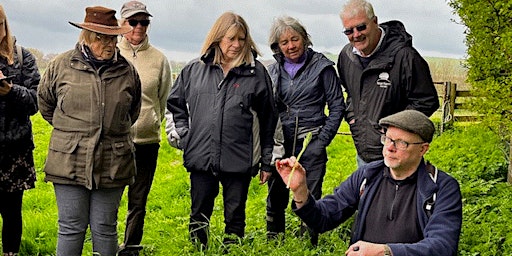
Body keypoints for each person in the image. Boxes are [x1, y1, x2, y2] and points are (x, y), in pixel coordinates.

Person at [276, 110, 462, 256]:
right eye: (388, 139)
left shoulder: (442, 187)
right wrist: (300, 190)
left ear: (423, 149)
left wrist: (385, 252)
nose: (389, 147)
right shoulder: (368, 175)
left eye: (401, 143)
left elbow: (442, 246)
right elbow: (323, 219)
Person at [167, 11, 277, 249]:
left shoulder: (256, 73)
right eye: (231, 39)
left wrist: (267, 162)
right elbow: (175, 104)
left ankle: (232, 250)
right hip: (201, 157)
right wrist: (187, 135)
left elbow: (269, 120)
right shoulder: (194, 70)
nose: (237, 45)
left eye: (241, 39)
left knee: (235, 216)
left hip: (238, 158)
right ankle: (197, 250)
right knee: (198, 214)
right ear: (217, 38)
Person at [37, 6, 141, 256]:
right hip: (68, 159)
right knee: (71, 227)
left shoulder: (127, 71)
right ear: (87, 36)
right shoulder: (61, 66)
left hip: (113, 161)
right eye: (102, 38)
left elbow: (132, 112)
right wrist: (75, 134)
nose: (109, 44)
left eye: (112, 38)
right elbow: (46, 104)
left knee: (105, 227)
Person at [265, 16, 345, 245]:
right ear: (277, 47)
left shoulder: (322, 67)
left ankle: (307, 243)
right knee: (276, 192)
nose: (291, 46)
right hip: (281, 141)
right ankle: (274, 240)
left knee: (309, 194)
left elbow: (338, 106)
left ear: (305, 38)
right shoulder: (273, 71)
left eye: (295, 39)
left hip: (311, 139)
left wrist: (321, 142)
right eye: (284, 42)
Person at [337, 0, 440, 167]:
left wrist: (395, 130)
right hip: (364, 155)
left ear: (375, 21)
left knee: (399, 193)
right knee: (367, 193)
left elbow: (427, 101)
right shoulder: (346, 57)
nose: (356, 34)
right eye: (349, 30)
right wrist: (353, 119)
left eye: (361, 27)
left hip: (398, 154)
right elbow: (351, 94)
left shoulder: (405, 57)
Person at [116, 2, 172, 255]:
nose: (139, 27)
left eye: (144, 22)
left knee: (138, 199)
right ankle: (105, 243)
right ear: (121, 23)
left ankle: (131, 246)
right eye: (133, 21)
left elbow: (163, 99)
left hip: (147, 141)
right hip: (115, 141)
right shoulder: (111, 52)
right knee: (110, 196)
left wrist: (149, 121)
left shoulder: (159, 59)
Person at [0, 5, 40, 256]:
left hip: (15, 151)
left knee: (12, 212)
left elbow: (37, 101)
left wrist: (11, 91)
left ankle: (10, 254)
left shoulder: (23, 57)